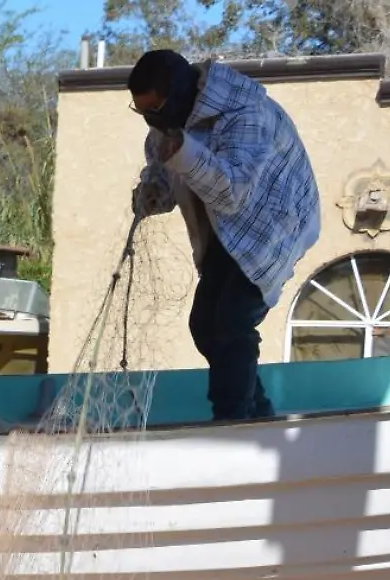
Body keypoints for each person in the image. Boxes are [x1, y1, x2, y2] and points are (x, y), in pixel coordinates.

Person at [128, 49, 320, 422]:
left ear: (181, 95)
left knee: (233, 321)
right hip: (225, 233)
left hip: (275, 224)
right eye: (145, 113)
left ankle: (231, 420)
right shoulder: (164, 126)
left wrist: (183, 153)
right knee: (204, 325)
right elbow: (167, 174)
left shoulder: (246, 115)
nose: (154, 121)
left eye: (158, 111)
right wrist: (153, 193)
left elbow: (232, 193)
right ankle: (258, 412)